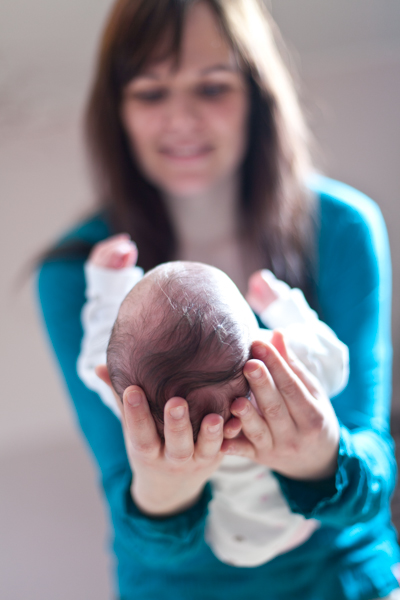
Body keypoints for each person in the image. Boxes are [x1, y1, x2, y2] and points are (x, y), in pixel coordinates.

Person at [37, 0, 400, 598]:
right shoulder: (78, 274)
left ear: (258, 95)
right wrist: (164, 486)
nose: (181, 119)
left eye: (211, 87)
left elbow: (373, 476)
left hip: (342, 580)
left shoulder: (341, 228)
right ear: (118, 111)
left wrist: (320, 457)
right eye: (151, 93)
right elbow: (133, 522)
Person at [77, 235, 349, 567]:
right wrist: (283, 306)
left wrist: (107, 287)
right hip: (309, 515)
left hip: (234, 540)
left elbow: (95, 361)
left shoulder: (138, 406)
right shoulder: (282, 362)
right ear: (254, 336)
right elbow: (335, 360)